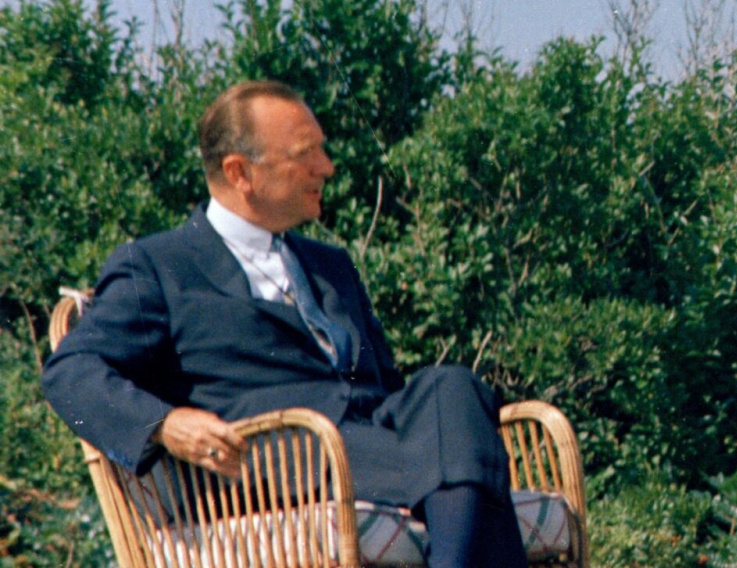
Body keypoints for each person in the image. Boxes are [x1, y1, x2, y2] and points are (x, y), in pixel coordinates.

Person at [41, 81, 528, 568]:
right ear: (240, 172)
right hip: (277, 465)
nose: (327, 167)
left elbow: (387, 387)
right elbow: (69, 371)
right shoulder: (157, 265)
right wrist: (164, 425)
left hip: (373, 445)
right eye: (306, 153)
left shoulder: (331, 264)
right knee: (468, 468)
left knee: (452, 387)